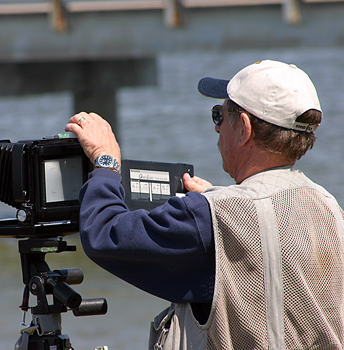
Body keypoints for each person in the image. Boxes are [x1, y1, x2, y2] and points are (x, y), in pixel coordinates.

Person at [64, 60, 344, 349]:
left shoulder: (209, 218)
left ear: (244, 128)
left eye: (219, 116)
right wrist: (215, 196)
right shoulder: (329, 209)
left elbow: (105, 234)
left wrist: (105, 161)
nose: (217, 129)